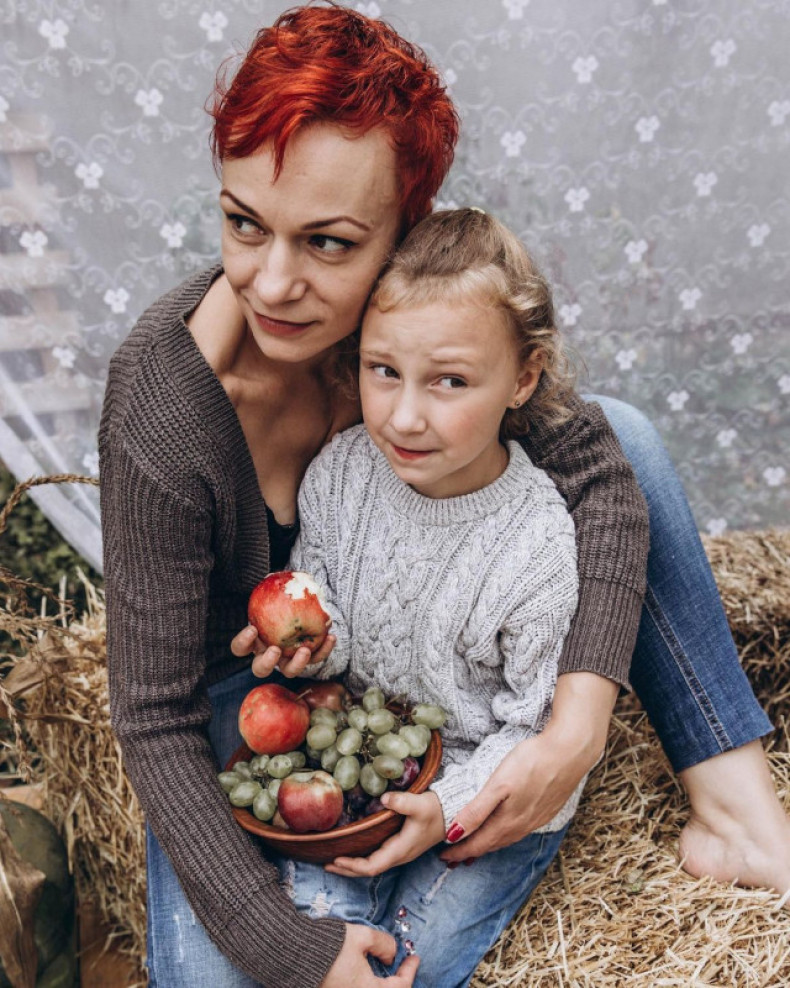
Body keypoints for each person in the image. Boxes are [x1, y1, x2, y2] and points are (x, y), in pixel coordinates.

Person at [97, 5, 789, 988]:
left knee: (623, 433)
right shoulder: (162, 412)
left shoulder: (412, 331)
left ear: (405, 233)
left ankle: (735, 807)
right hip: (238, 699)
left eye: (329, 243)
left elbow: (599, 466)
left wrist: (573, 729)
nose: (273, 283)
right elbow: (153, 719)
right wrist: (291, 949)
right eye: (243, 223)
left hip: (420, 684)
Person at [262, 206, 587, 986]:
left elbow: (537, 728)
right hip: (366, 772)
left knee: (412, 961)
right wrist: (313, 645)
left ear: (524, 377)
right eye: (383, 371)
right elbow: (331, 613)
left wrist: (450, 807)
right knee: (319, 935)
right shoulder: (341, 475)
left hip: (487, 789)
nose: (404, 416)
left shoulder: (536, 544)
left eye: (450, 381)